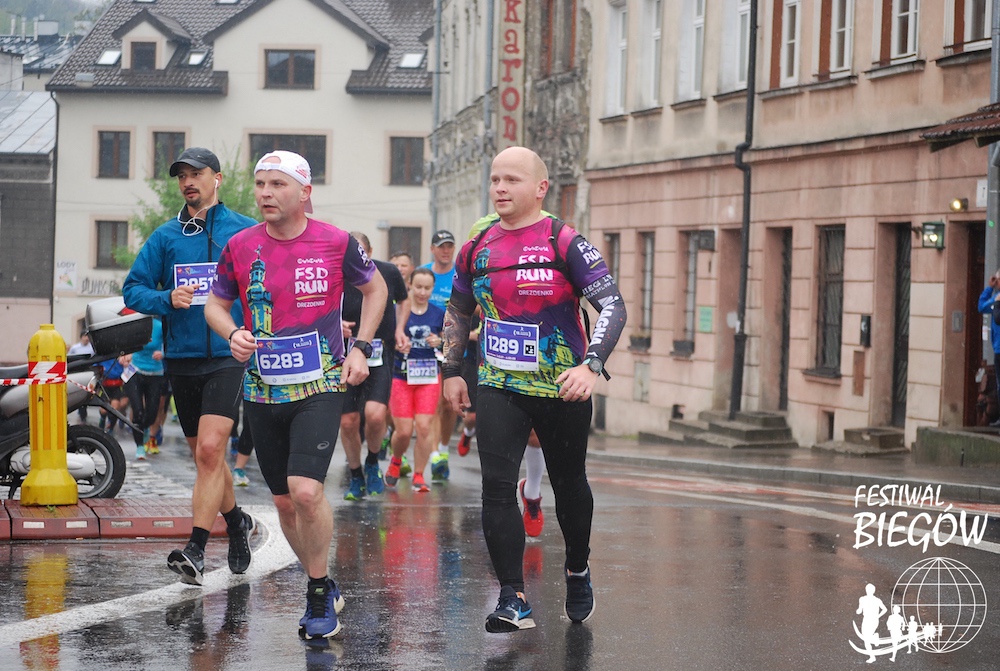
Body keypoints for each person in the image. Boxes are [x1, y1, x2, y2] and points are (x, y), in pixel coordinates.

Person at [205, 150, 388, 640]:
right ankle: (322, 581)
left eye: (278, 184)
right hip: (263, 388)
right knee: (285, 503)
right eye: (260, 184)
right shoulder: (241, 246)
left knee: (307, 491)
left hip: (320, 383)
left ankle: (316, 590)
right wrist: (231, 333)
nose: (265, 193)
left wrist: (361, 347)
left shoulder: (336, 241)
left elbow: (376, 290)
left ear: (304, 192)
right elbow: (215, 304)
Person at [443, 146, 627, 632]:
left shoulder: (563, 241)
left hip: (562, 388)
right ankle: (513, 596)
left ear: (540, 188)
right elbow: (459, 310)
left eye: (512, 180)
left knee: (569, 485)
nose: (500, 188)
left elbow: (613, 305)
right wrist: (452, 370)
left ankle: (577, 568)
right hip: (499, 383)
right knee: (496, 486)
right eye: (495, 179)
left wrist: (591, 366)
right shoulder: (477, 246)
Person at [123, 147, 258, 586]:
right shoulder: (166, 237)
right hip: (182, 359)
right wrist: (166, 298)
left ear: (217, 178)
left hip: (229, 355)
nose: (187, 182)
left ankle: (196, 550)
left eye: (195, 174)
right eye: (181, 176)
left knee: (210, 451)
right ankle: (236, 523)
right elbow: (133, 290)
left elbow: (268, 284)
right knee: (208, 459)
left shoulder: (245, 231)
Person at [340, 232, 410, 501]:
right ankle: (356, 474)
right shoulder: (336, 274)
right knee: (348, 421)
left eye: (361, 251)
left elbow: (403, 299)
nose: (356, 257)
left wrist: (400, 328)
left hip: (380, 352)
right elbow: (321, 307)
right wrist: (337, 325)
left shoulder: (388, 271)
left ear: (369, 252)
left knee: (376, 415)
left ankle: (371, 461)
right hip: (345, 355)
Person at [384, 267, 445, 493]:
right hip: (401, 376)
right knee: (403, 431)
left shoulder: (439, 313)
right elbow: (385, 340)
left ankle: (419, 474)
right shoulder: (398, 311)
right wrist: (397, 345)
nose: (422, 292)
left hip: (428, 377)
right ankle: (396, 460)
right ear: (409, 285)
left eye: (427, 288)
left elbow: (449, 341)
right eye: (418, 287)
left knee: (424, 427)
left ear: (433, 289)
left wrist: (439, 341)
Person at [422, 231, 457, 481]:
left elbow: (475, 306)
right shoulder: (423, 273)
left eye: (449, 246)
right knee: (433, 402)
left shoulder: (459, 275)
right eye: (441, 246)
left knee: (449, 403)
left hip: (454, 346)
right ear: (432, 249)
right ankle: (435, 455)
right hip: (426, 347)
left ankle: (444, 447)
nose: (445, 251)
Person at [123, 316, 167, 459]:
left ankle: (145, 427)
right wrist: (124, 355)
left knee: (152, 413)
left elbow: (169, 344)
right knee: (138, 411)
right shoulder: (135, 326)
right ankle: (140, 446)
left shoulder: (160, 326)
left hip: (155, 373)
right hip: (135, 371)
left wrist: (163, 353)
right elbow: (125, 344)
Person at [978, 269, 1000, 426]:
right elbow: (981, 307)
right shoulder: (996, 298)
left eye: (998, 279)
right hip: (998, 348)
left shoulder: (997, 300)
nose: (996, 282)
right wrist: (989, 288)